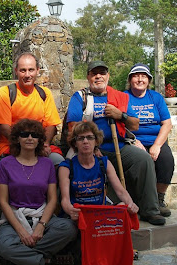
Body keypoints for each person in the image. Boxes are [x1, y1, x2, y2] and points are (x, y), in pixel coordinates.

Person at [65, 61, 165, 225]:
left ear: (108, 76)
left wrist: (120, 115)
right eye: (94, 73)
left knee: (143, 159)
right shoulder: (80, 97)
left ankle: (150, 210)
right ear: (88, 77)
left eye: (102, 73)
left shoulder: (119, 97)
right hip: (90, 149)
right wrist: (92, 147)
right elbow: (73, 127)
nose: (98, 76)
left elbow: (135, 124)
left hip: (120, 146)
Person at [0, 119, 77, 265]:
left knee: (69, 228)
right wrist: (20, 230)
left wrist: (41, 225)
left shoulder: (47, 164)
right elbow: (3, 201)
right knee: (5, 247)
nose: (30, 138)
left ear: (40, 139)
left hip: (41, 216)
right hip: (15, 218)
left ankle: (19, 258)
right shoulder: (5, 164)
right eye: (25, 134)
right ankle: (46, 260)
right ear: (17, 139)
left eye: (34, 135)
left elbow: (52, 200)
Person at [0, 52, 64, 165]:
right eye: (23, 70)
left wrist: (44, 144)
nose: (27, 75)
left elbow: (51, 125)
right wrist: (27, 147)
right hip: (11, 147)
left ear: (38, 70)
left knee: (60, 164)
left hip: (40, 146)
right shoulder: (5, 93)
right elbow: (4, 128)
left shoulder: (44, 93)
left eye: (31, 70)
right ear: (16, 71)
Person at [124, 63, 175, 217]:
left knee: (166, 160)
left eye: (143, 76)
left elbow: (167, 124)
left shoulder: (156, 97)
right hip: (133, 140)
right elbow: (120, 124)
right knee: (141, 161)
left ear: (149, 80)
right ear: (130, 79)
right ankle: (142, 201)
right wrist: (133, 141)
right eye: (136, 76)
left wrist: (157, 145)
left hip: (155, 140)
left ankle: (159, 199)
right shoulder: (124, 97)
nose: (140, 79)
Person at [59, 121, 139, 217]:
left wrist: (131, 204)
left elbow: (120, 191)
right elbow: (65, 200)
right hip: (79, 213)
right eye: (80, 138)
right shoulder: (66, 167)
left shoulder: (104, 163)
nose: (85, 141)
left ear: (96, 141)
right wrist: (70, 210)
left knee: (123, 208)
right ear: (75, 143)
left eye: (89, 137)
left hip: (100, 211)